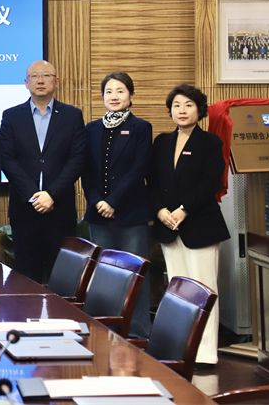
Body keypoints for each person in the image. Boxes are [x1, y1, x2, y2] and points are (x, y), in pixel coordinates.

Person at [151, 83, 229, 365]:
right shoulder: (161, 142)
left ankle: (205, 352)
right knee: (177, 290)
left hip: (200, 225)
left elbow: (210, 183)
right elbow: (152, 181)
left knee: (204, 290)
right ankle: (178, 348)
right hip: (168, 226)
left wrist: (184, 210)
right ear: (170, 111)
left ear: (199, 110)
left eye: (188, 105)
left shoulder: (210, 143)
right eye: (176, 106)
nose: (182, 111)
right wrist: (160, 210)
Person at [0, 60, 85, 283]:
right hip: (25, 210)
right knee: (26, 278)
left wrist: (51, 194)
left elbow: (77, 159)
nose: (40, 80)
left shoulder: (72, 116)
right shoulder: (11, 116)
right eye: (34, 76)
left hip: (60, 209)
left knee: (62, 278)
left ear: (56, 81)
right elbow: (7, 159)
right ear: (25, 83)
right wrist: (34, 195)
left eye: (46, 75)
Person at [82, 71, 153, 338]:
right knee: (104, 275)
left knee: (135, 274)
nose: (114, 96)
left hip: (131, 214)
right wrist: (97, 201)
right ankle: (106, 330)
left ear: (131, 95)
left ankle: (138, 333)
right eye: (109, 91)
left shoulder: (141, 128)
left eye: (120, 91)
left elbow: (138, 169)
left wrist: (112, 201)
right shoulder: (91, 129)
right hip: (99, 214)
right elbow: (86, 171)